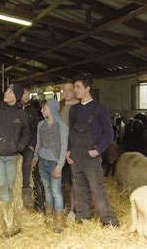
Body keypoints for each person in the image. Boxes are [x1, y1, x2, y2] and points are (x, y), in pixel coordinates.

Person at [66, 76, 120, 227]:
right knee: (79, 188)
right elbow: (71, 132)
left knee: (97, 189)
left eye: (77, 87)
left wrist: (97, 150)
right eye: (74, 87)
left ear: (87, 88)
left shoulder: (99, 108)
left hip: (91, 157)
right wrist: (68, 150)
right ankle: (84, 217)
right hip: (76, 156)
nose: (75, 90)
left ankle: (109, 221)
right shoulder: (74, 110)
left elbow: (109, 134)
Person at [0, 83, 30, 238]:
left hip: (12, 155)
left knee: (10, 187)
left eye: (10, 91)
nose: (6, 92)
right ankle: (10, 225)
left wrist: (19, 147)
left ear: (16, 96)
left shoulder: (22, 114)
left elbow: (26, 133)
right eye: (6, 90)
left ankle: (11, 224)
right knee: (3, 186)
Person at [32, 99, 69, 233]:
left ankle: (59, 221)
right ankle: (49, 216)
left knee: (56, 192)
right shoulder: (40, 125)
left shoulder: (62, 126)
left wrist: (59, 166)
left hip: (54, 164)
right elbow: (38, 143)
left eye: (44, 108)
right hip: (43, 162)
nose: (41, 111)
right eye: (42, 108)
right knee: (47, 189)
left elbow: (64, 147)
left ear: (52, 109)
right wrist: (35, 157)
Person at [60, 81, 80, 216]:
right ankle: (59, 207)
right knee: (59, 178)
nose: (67, 93)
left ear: (75, 91)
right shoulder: (59, 106)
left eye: (70, 90)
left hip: (74, 147)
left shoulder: (79, 107)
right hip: (60, 146)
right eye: (64, 90)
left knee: (75, 179)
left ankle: (73, 210)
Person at [20, 86, 39, 209]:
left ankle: (26, 190)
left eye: (29, 94)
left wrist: (32, 145)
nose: (27, 96)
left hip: (27, 144)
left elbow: (35, 130)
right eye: (25, 93)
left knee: (28, 160)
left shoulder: (32, 110)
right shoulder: (13, 107)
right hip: (14, 142)